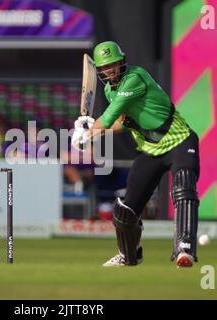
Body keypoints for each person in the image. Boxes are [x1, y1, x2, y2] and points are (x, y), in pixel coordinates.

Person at [72, 41, 200, 268]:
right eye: (105, 67)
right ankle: (129, 256)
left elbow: (109, 117)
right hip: (151, 151)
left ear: (122, 61)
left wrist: (89, 132)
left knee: (183, 187)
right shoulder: (109, 90)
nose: (110, 70)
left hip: (179, 140)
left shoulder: (135, 78)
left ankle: (184, 248)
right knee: (124, 211)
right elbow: (122, 122)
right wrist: (92, 131)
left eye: (114, 64)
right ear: (99, 71)